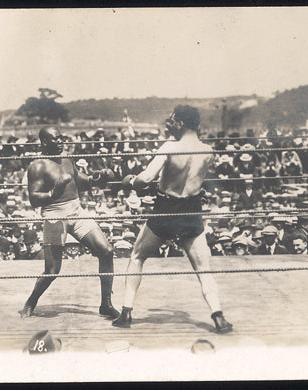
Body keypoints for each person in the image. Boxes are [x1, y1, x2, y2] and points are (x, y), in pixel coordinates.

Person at [115, 105, 232, 333]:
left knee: (137, 257)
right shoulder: (208, 151)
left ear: (179, 123)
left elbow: (146, 178)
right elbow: (197, 180)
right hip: (191, 210)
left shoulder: (169, 146)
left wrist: (130, 182)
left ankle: (126, 312)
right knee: (203, 269)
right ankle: (218, 316)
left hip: (165, 208)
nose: (170, 125)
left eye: (172, 121)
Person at [19, 126, 119, 319]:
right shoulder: (37, 166)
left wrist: (98, 178)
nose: (60, 141)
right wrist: (52, 193)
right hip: (54, 215)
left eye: (61, 138)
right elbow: (33, 199)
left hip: (76, 210)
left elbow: (80, 181)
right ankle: (31, 301)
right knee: (53, 270)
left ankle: (106, 304)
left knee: (106, 252)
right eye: (55, 139)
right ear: (44, 142)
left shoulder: (67, 159)